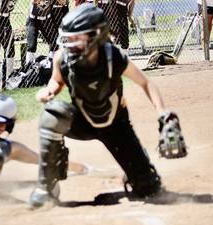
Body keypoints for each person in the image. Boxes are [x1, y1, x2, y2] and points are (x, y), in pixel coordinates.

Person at [28, 4, 187, 208]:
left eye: (77, 38)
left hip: (115, 125)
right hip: (82, 121)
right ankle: (46, 185)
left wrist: (163, 113)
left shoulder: (113, 57)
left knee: (150, 190)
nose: (70, 43)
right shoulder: (63, 57)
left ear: (96, 35)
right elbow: (57, 81)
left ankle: (135, 167)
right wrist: (49, 91)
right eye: (68, 38)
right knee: (53, 114)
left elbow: (146, 83)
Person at [25, 0, 60, 64]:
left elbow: (63, 2)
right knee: (32, 45)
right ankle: (28, 67)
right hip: (33, 20)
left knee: (54, 44)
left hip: (46, 20)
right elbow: (34, 1)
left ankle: (51, 65)